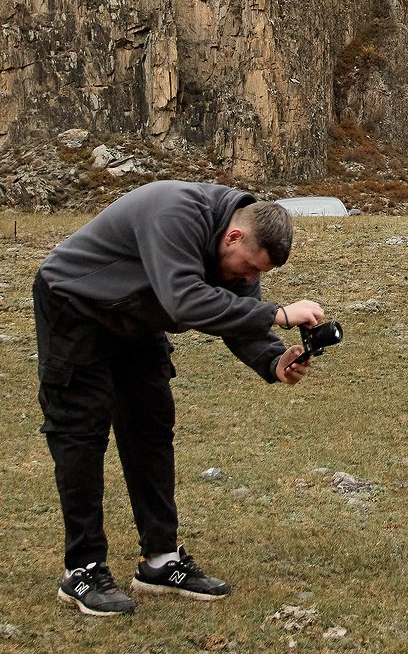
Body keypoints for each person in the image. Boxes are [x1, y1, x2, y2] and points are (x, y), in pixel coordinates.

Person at [31, 179, 325, 617]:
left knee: (150, 429)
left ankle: (161, 560)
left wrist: (272, 360)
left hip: (136, 318)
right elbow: (185, 301)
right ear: (234, 236)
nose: (250, 278)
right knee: (81, 434)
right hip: (75, 306)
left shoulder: (237, 249)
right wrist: (278, 314)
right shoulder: (174, 213)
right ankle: (84, 569)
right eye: (248, 267)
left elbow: (235, 313)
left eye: (258, 274)